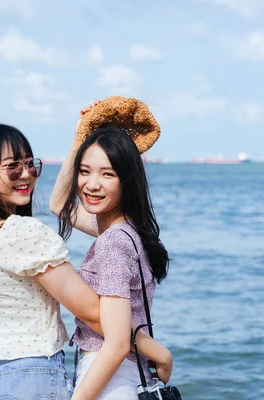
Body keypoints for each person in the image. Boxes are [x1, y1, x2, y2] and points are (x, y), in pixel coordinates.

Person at [0, 51, 167, 400]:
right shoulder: (24, 235)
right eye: (11, 167)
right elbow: (96, 314)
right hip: (25, 377)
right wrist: (157, 351)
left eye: (29, 163)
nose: (27, 174)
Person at [50, 104, 173, 399]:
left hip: (109, 379)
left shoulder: (113, 242)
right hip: (129, 375)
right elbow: (58, 204)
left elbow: (117, 343)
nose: (92, 184)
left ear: (126, 180)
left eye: (107, 174)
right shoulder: (129, 230)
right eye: (84, 171)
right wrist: (79, 138)